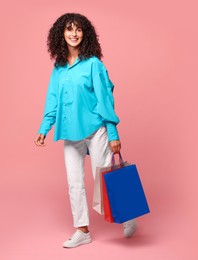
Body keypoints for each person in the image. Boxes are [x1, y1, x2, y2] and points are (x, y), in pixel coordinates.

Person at [34, 13, 136, 248]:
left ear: (85, 33)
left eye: (78, 29)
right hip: (70, 132)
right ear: (61, 34)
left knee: (106, 176)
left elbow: (105, 99)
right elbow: (53, 100)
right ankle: (82, 230)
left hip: (96, 129)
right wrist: (44, 127)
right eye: (69, 29)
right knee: (74, 183)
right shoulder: (58, 68)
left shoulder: (94, 64)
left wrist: (113, 133)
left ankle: (130, 215)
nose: (74, 34)